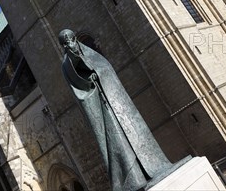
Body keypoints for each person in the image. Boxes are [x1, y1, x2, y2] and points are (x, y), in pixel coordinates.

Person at [59, 30, 171, 191]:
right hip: (104, 107)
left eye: (71, 39)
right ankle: (133, 179)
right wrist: (87, 76)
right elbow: (76, 78)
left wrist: (98, 74)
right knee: (118, 141)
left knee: (135, 134)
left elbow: (104, 68)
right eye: (66, 42)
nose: (70, 43)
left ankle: (154, 165)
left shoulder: (90, 53)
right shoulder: (67, 62)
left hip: (117, 104)